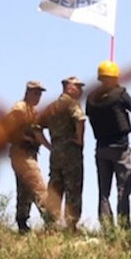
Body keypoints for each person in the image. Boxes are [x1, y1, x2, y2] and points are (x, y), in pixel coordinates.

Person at [86, 60, 131, 230]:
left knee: (104, 192)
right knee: (123, 189)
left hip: (101, 148)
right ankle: (124, 228)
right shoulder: (121, 94)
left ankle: (106, 228)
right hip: (120, 148)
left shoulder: (91, 98)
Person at [40, 76, 86, 231]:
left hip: (56, 152)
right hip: (71, 151)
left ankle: (51, 224)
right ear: (69, 87)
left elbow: (35, 127)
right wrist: (80, 139)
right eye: (78, 87)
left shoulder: (52, 106)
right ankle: (71, 225)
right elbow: (80, 119)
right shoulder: (71, 103)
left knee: (55, 186)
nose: (81, 90)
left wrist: (48, 145)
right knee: (73, 187)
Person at [8, 81, 52, 234]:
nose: (38, 96)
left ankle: (22, 222)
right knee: (37, 185)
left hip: (30, 153)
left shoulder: (33, 111)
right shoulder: (19, 108)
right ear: (27, 92)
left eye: (40, 94)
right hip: (21, 152)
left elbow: (39, 133)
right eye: (35, 93)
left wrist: (49, 147)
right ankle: (51, 221)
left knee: (25, 189)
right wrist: (23, 138)